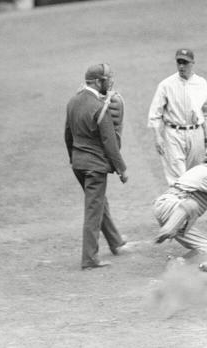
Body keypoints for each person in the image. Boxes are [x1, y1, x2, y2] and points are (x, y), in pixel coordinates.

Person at [64, 63, 129, 269]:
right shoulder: (100, 107)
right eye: (106, 80)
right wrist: (122, 169)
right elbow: (110, 142)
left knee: (99, 203)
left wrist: (73, 159)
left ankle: (115, 240)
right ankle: (90, 258)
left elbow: (67, 135)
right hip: (95, 167)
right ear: (97, 81)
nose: (109, 83)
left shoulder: (72, 101)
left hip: (79, 165)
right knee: (93, 211)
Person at [147, 48, 207, 186]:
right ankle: (179, 206)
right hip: (173, 134)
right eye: (179, 62)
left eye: (185, 63)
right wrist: (158, 136)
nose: (181, 66)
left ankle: (193, 207)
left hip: (196, 134)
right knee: (178, 179)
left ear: (192, 63)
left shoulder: (201, 83)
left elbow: (206, 111)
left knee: (195, 175)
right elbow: (155, 113)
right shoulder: (166, 85)